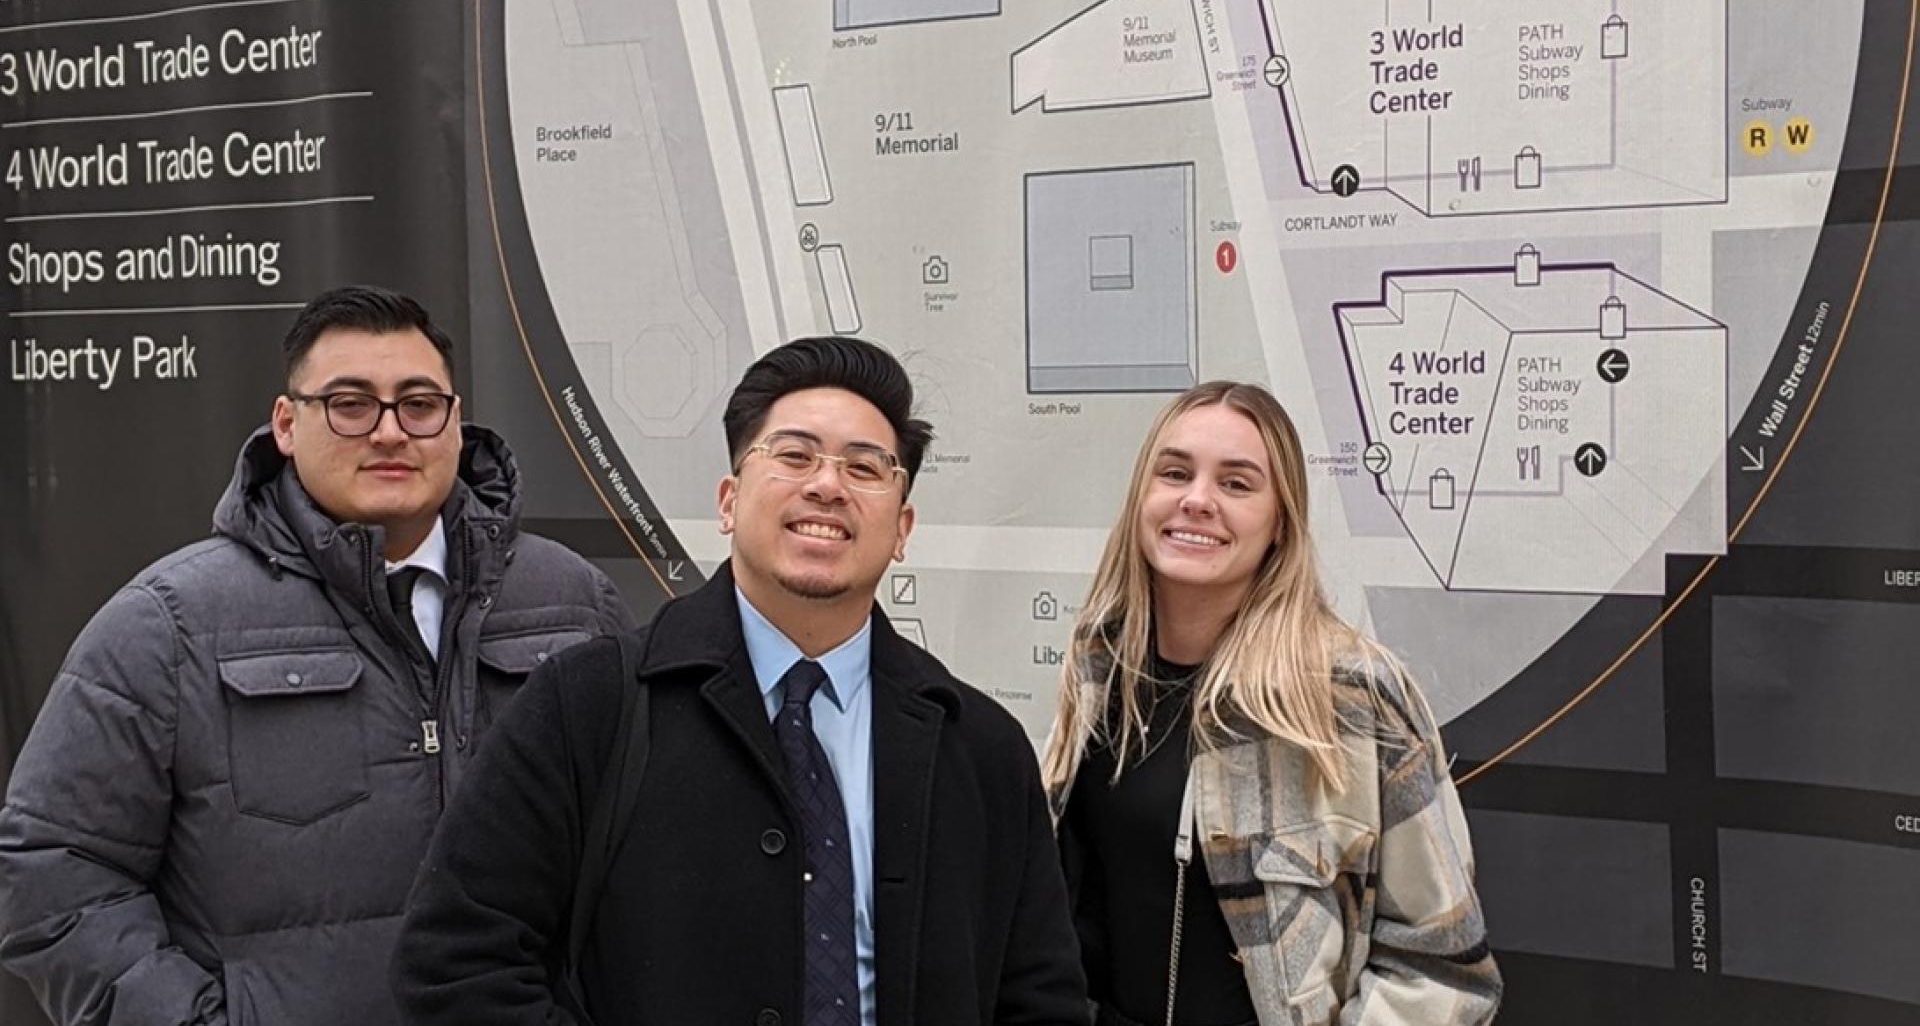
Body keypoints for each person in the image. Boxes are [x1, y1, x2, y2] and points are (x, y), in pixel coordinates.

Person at [391, 336, 1088, 1026]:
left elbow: (1039, 997)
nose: (827, 484)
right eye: (793, 455)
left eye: (866, 468)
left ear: (902, 527)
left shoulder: (980, 748)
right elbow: (456, 963)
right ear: (728, 501)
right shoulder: (588, 707)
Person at [0, 285, 637, 1026]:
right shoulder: (169, 625)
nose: (390, 432)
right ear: (286, 424)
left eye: (419, 403)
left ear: (456, 422)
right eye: (350, 403)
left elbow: (649, 848)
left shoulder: (574, 601)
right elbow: (54, 871)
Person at [1042, 382, 1500, 1026]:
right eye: (1175, 473)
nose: (1197, 500)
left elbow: (1440, 968)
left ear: (1279, 522)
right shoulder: (1098, 670)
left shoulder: (1350, 694)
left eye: (1236, 484)